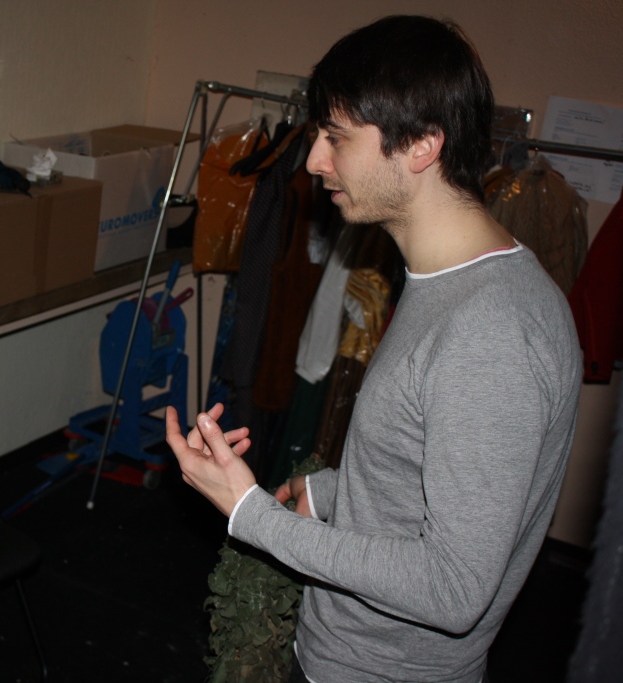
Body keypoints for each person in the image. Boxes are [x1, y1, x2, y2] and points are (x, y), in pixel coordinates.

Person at [167, 15, 582, 683]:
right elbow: (429, 477)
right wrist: (330, 491)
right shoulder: (449, 282)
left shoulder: (491, 332)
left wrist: (252, 514)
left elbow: (453, 588)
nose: (314, 160)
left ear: (420, 144)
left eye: (336, 137)